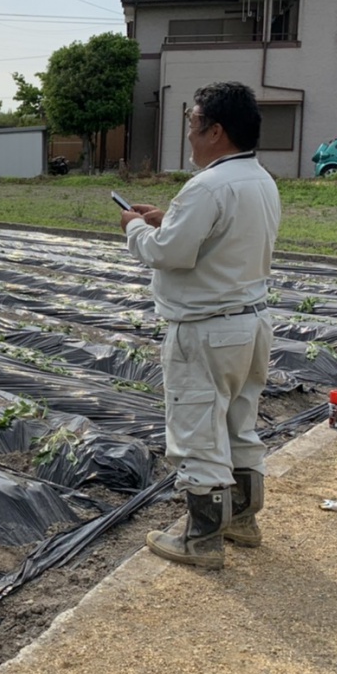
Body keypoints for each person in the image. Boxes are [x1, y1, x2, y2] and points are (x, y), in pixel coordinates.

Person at [120, 81, 281, 570]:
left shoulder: (207, 185)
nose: (189, 135)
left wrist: (135, 228)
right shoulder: (260, 180)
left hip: (206, 329)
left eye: (192, 124)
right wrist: (168, 219)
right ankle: (243, 521)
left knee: (197, 431)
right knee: (239, 424)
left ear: (215, 131)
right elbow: (217, 236)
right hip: (250, 324)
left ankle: (201, 539)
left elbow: (168, 253)